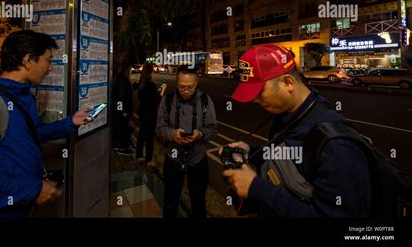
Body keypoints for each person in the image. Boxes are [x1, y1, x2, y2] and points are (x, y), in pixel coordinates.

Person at [0, 30, 92, 218]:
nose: (50, 67)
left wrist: (70, 122)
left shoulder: (23, 97)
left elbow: (31, 134)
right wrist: (33, 190)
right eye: (48, 60)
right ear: (28, 60)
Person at [222, 44, 371, 217]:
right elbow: (292, 158)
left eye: (259, 92)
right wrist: (252, 152)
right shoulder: (288, 115)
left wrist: (256, 188)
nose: (254, 99)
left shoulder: (337, 146)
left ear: (287, 83)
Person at [156, 65, 218, 218]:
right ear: (177, 83)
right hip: (173, 156)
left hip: (198, 158)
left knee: (198, 204)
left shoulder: (205, 100)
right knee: (170, 202)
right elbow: (159, 128)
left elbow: (213, 128)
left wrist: (200, 134)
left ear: (197, 84)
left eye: (190, 87)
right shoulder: (168, 100)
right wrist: (172, 134)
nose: (186, 91)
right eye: (182, 87)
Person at [135, 64, 166, 168]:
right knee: (149, 137)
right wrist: (162, 90)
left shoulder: (140, 84)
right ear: (150, 72)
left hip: (142, 112)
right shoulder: (151, 85)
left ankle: (139, 156)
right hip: (150, 114)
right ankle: (149, 159)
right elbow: (157, 100)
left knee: (142, 135)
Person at [112, 63, 134, 155]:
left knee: (119, 127)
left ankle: (118, 145)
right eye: (130, 70)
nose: (131, 72)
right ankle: (121, 147)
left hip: (119, 110)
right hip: (122, 111)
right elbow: (121, 96)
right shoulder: (122, 80)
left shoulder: (120, 79)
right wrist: (123, 111)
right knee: (122, 128)